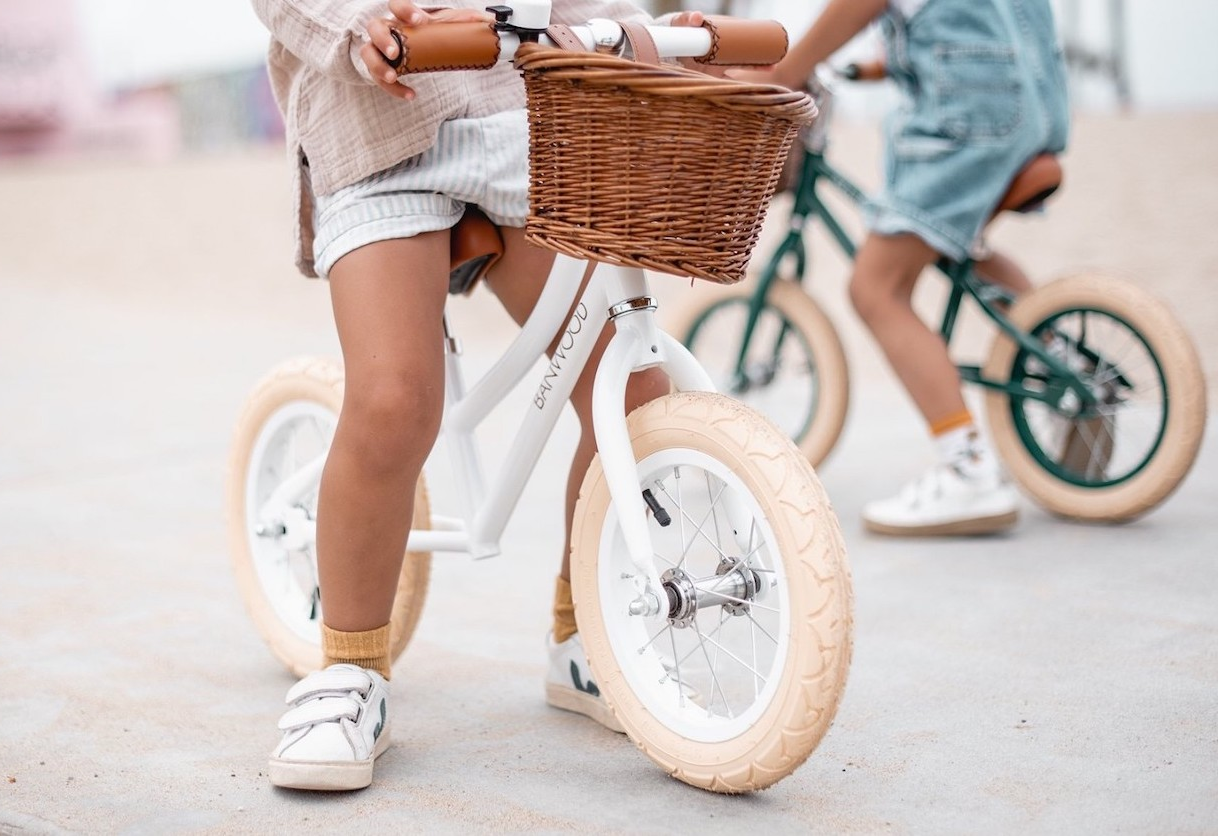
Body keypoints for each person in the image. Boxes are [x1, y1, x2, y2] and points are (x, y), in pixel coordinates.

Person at [249, 0, 701, 791]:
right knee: (394, 400)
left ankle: (586, 636)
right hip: (380, 128)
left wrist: (639, 28)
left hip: (529, 117)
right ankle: (348, 669)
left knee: (632, 386)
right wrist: (356, 25)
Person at [740, 0, 1070, 536]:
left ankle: (968, 472)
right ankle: (1066, 377)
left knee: (875, 288)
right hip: (1033, 103)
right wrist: (879, 65)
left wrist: (787, 70)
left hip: (971, 116)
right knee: (956, 246)